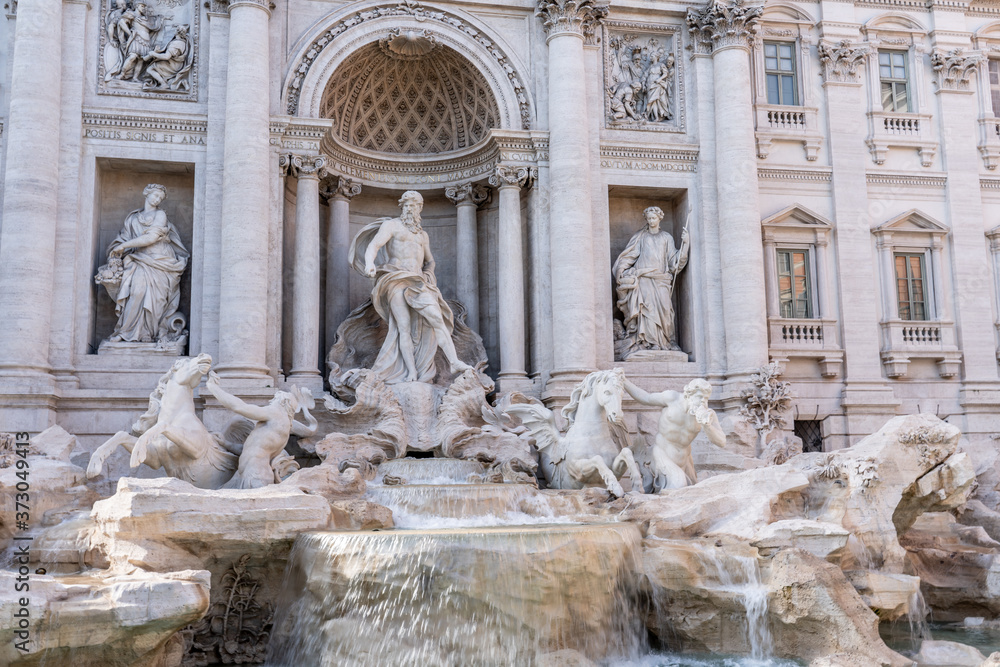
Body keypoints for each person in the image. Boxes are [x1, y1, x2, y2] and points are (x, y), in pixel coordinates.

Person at [349, 190, 472, 384]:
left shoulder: (422, 236)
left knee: (437, 319)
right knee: (402, 327)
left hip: (418, 282)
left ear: (420, 208)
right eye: (406, 205)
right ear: (402, 207)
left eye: (413, 205)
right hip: (395, 278)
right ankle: (411, 373)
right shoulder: (392, 225)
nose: (409, 208)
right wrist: (369, 263)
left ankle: (454, 361)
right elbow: (374, 245)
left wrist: (428, 274)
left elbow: (430, 261)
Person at [102, 184, 189, 344]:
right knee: (137, 291)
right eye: (155, 195)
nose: (157, 199)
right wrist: (118, 248)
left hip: (161, 262)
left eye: (160, 198)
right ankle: (126, 332)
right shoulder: (133, 218)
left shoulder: (160, 214)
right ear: (146, 194)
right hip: (139, 260)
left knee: (157, 300)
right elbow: (123, 239)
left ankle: (150, 333)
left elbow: (150, 238)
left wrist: (124, 246)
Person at [206, 372, 317, 489]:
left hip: (255, 475)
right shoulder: (283, 425)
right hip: (247, 475)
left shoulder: (275, 412)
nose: (271, 402)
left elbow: (239, 407)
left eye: (274, 399)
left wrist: (213, 388)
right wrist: (226, 444)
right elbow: (251, 449)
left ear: (283, 402)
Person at [623, 377, 725, 492]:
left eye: (706, 399)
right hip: (662, 454)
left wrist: (707, 426)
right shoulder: (672, 398)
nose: (703, 402)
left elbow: (721, 442)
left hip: (685, 461)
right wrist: (624, 382)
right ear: (688, 395)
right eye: (699, 397)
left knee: (690, 494)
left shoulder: (708, 415)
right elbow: (646, 398)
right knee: (678, 486)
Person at [613, 205, 689, 352]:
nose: (651, 221)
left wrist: (685, 244)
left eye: (653, 218)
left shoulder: (666, 237)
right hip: (644, 279)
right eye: (648, 219)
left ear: (659, 218)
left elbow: (674, 261)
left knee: (665, 311)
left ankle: (664, 342)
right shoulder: (641, 236)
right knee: (647, 311)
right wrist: (621, 268)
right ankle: (649, 342)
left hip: (661, 280)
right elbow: (630, 255)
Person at [143, 25, 192, 90]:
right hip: (177, 65)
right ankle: (181, 82)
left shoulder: (175, 44)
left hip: (172, 65)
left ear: (177, 32)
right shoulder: (183, 42)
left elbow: (166, 57)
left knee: (150, 69)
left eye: (175, 29)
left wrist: (153, 54)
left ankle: (163, 84)